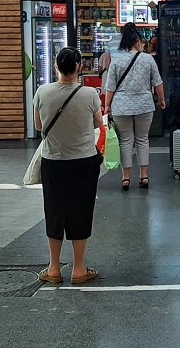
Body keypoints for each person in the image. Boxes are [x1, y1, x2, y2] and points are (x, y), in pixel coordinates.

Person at [33, 48, 103, 285]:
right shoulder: (89, 94)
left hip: (53, 162)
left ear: (56, 66)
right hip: (83, 161)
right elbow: (98, 123)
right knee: (81, 211)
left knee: (54, 212)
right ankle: (79, 268)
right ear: (79, 67)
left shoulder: (42, 92)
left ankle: (53, 268)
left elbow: (38, 125)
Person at [104, 23, 166, 190]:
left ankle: (126, 178)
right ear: (138, 42)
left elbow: (110, 87)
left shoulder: (117, 60)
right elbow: (158, 82)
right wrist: (162, 99)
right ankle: (144, 175)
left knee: (125, 141)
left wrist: (106, 106)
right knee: (142, 139)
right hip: (144, 105)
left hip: (121, 106)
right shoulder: (148, 59)